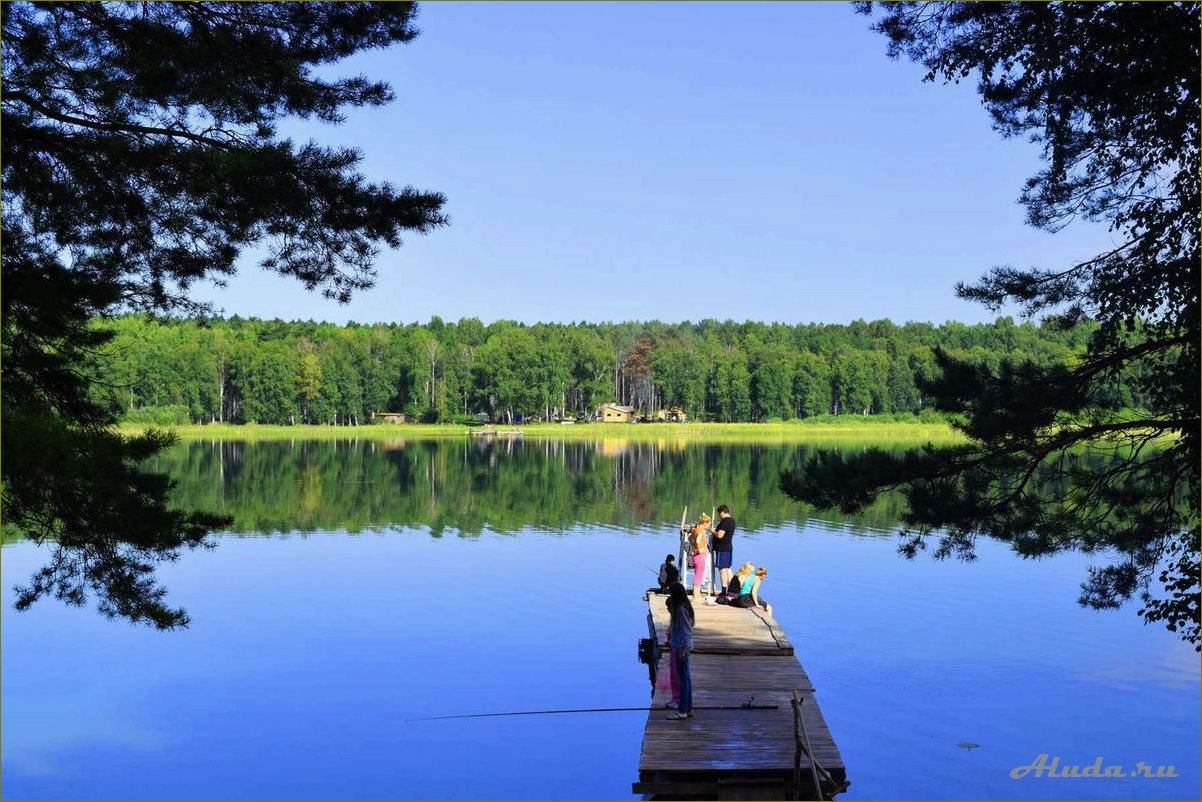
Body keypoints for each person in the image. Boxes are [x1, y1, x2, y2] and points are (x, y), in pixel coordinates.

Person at [665, 582, 694, 720]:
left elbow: (685, 631)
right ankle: (688, 709)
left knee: (684, 680)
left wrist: (682, 648)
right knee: (685, 678)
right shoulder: (684, 606)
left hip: (682, 647)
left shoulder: (681, 609)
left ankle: (682, 710)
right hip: (681, 645)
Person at [711, 504, 736, 594]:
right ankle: (733, 590)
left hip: (722, 549)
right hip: (728, 547)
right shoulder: (732, 521)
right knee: (727, 569)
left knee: (722, 569)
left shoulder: (725, 522)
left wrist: (713, 531)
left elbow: (720, 535)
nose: (719, 516)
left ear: (722, 512)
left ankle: (724, 591)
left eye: (719, 514)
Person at [689, 513, 710, 600]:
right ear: (705, 523)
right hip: (700, 555)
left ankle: (697, 596)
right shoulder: (701, 530)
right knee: (698, 576)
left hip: (696, 555)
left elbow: (690, 539)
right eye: (709, 524)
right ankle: (695, 597)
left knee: (698, 575)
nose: (708, 526)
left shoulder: (695, 529)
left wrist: (694, 548)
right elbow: (697, 541)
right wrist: (699, 549)